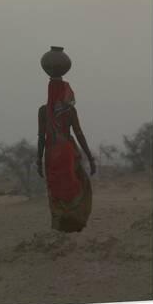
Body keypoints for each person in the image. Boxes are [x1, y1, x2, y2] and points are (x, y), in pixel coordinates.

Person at [37, 77, 96, 232]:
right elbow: (79, 134)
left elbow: (41, 137)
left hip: (51, 154)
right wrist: (90, 157)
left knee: (55, 190)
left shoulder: (43, 111)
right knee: (79, 184)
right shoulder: (69, 111)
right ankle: (75, 223)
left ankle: (60, 226)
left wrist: (38, 160)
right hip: (68, 153)